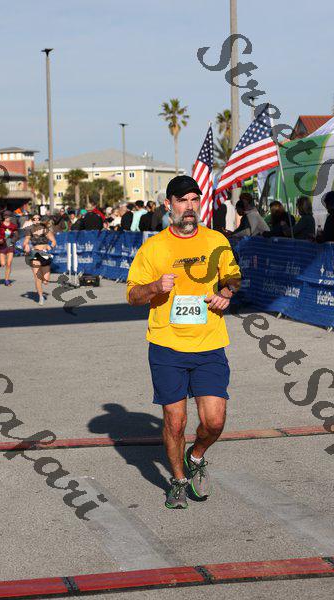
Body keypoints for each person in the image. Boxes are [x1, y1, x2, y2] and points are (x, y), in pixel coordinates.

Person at [126, 175, 241, 509]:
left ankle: (196, 455)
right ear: (169, 205)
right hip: (167, 346)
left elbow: (233, 276)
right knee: (175, 423)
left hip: (209, 343)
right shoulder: (153, 248)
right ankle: (177, 481)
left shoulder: (216, 240)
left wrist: (226, 292)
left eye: (194, 199)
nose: (189, 207)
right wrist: (154, 287)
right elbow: (132, 295)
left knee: (215, 421)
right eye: (182, 200)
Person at [23, 216, 57, 305]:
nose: (36, 220)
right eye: (34, 219)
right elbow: (25, 242)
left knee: (45, 281)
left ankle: (43, 280)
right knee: (37, 277)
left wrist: (50, 246)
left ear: (40, 220)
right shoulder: (30, 231)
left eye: (38, 218)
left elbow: (54, 241)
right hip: (35, 254)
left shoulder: (46, 230)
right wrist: (26, 245)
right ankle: (41, 297)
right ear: (32, 221)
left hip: (45, 254)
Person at [0, 211, 18, 286]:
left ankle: (6, 280)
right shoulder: (0, 226)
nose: (8, 218)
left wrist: (14, 239)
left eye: (9, 216)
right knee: (3, 264)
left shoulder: (13, 226)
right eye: (6, 216)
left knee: (9, 264)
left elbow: (16, 235)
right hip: (2, 246)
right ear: (4, 217)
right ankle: (0, 262)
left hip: (10, 245)